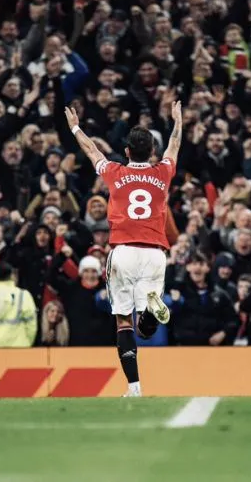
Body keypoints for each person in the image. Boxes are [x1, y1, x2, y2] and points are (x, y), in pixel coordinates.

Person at [64, 98, 182, 397]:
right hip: (155, 252)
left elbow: (92, 150)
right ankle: (151, 312)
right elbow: (174, 147)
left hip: (124, 251)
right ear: (151, 152)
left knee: (123, 321)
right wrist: (178, 122)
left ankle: (134, 387)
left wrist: (76, 127)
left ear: (127, 151)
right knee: (146, 329)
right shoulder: (162, 173)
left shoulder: (115, 172)